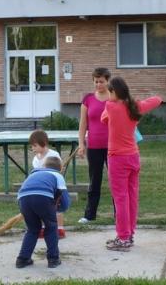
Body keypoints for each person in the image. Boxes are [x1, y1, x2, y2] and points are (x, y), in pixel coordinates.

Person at [101, 76, 161, 251]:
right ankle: (130, 233)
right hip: (133, 157)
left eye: (109, 91)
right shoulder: (135, 107)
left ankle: (123, 237)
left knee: (120, 198)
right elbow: (157, 100)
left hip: (117, 159)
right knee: (132, 197)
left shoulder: (110, 106)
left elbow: (104, 119)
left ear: (113, 92)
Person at [15, 156, 70, 269]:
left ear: (43, 166)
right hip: (43, 198)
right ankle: (53, 259)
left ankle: (22, 259)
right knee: (51, 227)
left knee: (32, 229)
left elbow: (25, 190)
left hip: (23, 199)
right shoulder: (57, 175)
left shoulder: (33, 175)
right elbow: (64, 199)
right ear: (60, 169)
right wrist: (60, 209)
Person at [77, 68, 111, 224]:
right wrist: (81, 144)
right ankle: (89, 215)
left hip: (113, 147)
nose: (98, 84)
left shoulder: (114, 98)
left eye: (101, 81)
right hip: (94, 146)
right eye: (96, 81)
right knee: (94, 181)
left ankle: (120, 214)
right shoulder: (88, 99)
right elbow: (83, 124)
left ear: (108, 81)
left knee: (115, 181)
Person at [28, 129, 66, 238]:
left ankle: (60, 229)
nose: (33, 148)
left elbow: (59, 169)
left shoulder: (53, 154)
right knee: (44, 208)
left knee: (57, 208)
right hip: (43, 188)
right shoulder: (36, 159)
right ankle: (45, 228)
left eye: (35, 146)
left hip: (54, 186)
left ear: (43, 143)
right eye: (32, 146)